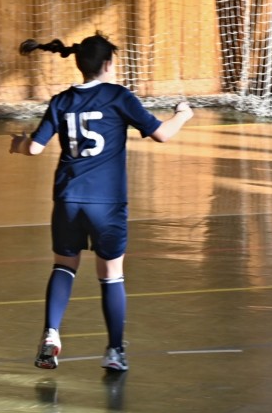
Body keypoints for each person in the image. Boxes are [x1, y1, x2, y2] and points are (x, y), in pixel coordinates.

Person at [10, 32, 194, 371]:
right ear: (108, 64)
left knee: (64, 266)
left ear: (80, 64)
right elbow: (163, 134)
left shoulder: (61, 100)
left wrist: (18, 143)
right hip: (107, 204)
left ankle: (51, 334)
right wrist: (182, 114)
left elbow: (34, 148)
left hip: (68, 199)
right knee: (111, 274)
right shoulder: (118, 96)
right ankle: (114, 352)